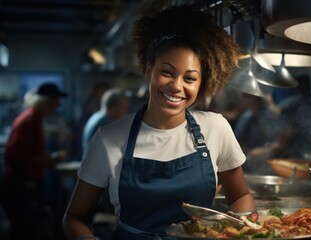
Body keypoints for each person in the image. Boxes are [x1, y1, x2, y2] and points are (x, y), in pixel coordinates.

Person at [63, 5, 256, 240]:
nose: (177, 86)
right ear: (148, 70)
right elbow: (74, 217)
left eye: (190, 78)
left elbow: (240, 197)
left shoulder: (216, 128)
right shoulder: (109, 138)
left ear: (201, 83)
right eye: (167, 72)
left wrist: (233, 232)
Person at [0, 83, 68, 240]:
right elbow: (13, 156)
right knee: (24, 232)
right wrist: (48, 161)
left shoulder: (34, 118)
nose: (58, 105)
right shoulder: (30, 120)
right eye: (56, 100)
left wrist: (47, 158)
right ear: (46, 101)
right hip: (20, 187)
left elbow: (27, 151)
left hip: (23, 186)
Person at [247, 75, 311, 164]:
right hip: (307, 155)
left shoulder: (290, 104)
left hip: (290, 156)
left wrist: (266, 150)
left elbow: (285, 135)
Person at [232, 93, 279, 174]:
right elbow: (236, 143)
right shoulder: (247, 116)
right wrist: (249, 152)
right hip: (250, 162)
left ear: (256, 98)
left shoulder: (268, 115)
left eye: (246, 96)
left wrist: (264, 150)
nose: (241, 98)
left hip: (268, 163)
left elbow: (278, 143)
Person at [82, 88, 129, 153]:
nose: (125, 111)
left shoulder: (97, 116)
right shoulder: (106, 123)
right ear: (112, 107)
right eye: (122, 107)